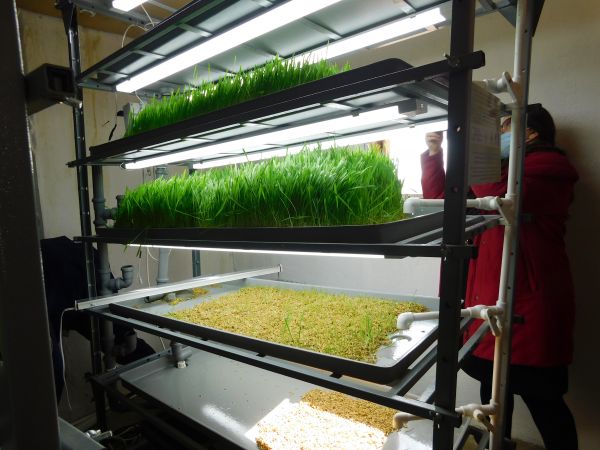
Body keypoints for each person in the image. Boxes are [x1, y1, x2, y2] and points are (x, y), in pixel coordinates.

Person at [421, 108, 579, 450]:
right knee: (492, 397)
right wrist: (435, 155)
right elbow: (443, 204)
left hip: (529, 309)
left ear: (531, 134)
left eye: (505, 129)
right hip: (491, 303)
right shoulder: (502, 171)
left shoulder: (550, 168)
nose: (498, 137)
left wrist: (474, 148)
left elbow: (499, 197)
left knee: (544, 402)